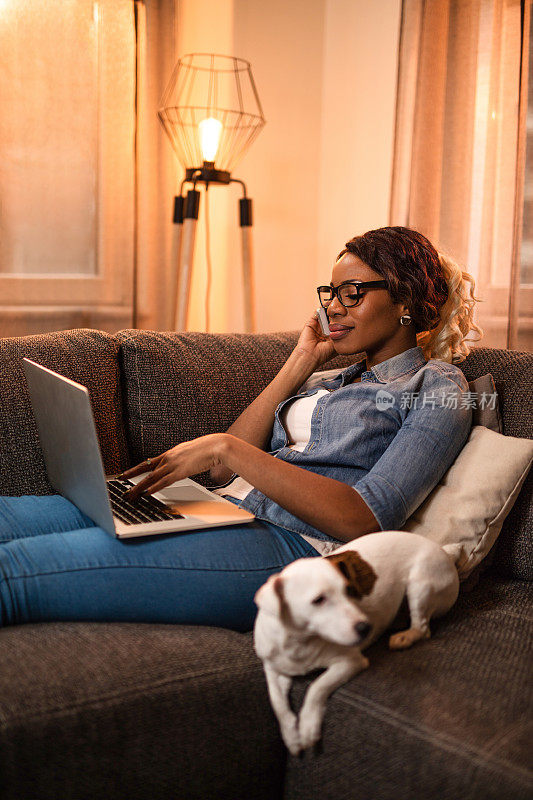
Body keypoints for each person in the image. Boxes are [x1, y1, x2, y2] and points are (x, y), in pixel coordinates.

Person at [0, 226, 483, 631]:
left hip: (291, 543)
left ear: (407, 300)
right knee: (8, 520)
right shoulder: (333, 378)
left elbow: (367, 518)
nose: (334, 307)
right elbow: (217, 472)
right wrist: (300, 362)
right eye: (330, 293)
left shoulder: (438, 385)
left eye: (352, 293)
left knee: (13, 572)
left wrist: (228, 451)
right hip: (220, 507)